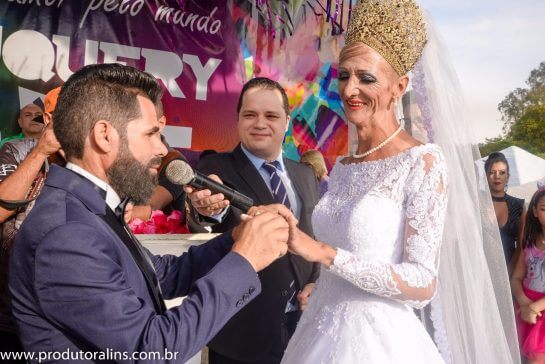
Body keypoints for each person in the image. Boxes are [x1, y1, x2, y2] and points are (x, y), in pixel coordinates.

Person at [280, 0, 520, 363]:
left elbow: (422, 282)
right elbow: (347, 252)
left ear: (400, 86)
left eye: (367, 78)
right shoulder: (343, 165)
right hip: (318, 329)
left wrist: (325, 254)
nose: (349, 90)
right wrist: (320, 279)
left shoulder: (423, 161)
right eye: (344, 75)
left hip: (379, 344)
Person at [8, 63, 292, 362]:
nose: (161, 149)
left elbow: (162, 275)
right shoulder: (67, 234)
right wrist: (244, 261)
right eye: (152, 133)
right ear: (104, 135)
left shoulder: (90, 207)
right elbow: (152, 348)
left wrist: (237, 237)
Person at [187, 77, 320, 364]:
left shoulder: (306, 175)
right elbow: (207, 213)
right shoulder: (214, 168)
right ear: (237, 121)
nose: (260, 123)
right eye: (250, 114)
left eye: (271, 115)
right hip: (242, 337)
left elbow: (314, 237)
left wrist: (315, 283)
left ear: (286, 122)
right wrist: (208, 209)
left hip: (304, 331)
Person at [0, 88, 62, 361]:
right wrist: (41, 153)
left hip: (66, 313)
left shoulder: (97, 159)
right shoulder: (17, 149)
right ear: (50, 119)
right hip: (13, 309)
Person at [511, 187, 545, 363]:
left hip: (540, 310)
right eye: (544, 209)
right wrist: (524, 303)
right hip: (525, 307)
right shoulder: (530, 242)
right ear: (535, 211)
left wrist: (534, 308)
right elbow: (516, 278)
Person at [485, 152, 526, 273]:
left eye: (502, 172)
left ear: (508, 176)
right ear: (485, 176)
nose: (497, 176)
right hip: (479, 273)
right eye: (492, 172)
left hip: (510, 271)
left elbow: (521, 246)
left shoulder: (519, 206)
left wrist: (509, 276)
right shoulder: (476, 204)